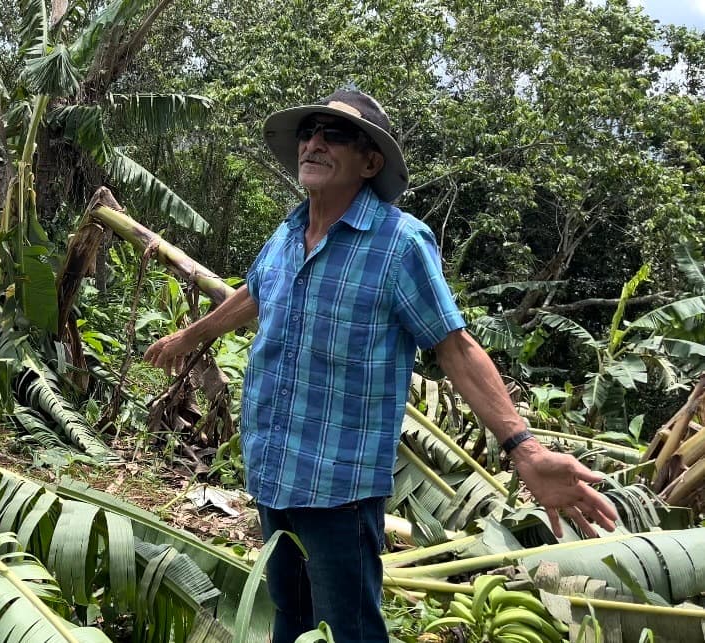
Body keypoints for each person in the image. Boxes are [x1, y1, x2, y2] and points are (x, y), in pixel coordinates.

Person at [142, 89, 620, 642]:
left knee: (349, 629)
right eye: (309, 132)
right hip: (272, 466)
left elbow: (454, 346)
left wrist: (526, 450)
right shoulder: (288, 232)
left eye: (335, 135)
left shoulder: (399, 243)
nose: (315, 143)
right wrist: (191, 336)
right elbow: (255, 291)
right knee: (290, 615)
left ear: (370, 163)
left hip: (337, 484)